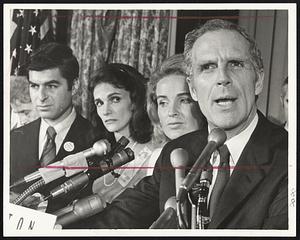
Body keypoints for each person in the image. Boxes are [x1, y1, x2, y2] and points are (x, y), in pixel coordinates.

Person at [69, 19, 288, 229]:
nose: (222, 78)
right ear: (193, 89)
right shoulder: (175, 151)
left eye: (236, 64)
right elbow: (116, 219)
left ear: (258, 80)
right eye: (208, 67)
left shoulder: (289, 158)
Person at [10, 42, 108, 213]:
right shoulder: (14, 138)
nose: (41, 97)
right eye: (34, 86)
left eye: (51, 86)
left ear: (75, 86)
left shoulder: (97, 141)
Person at [90, 63, 155, 203]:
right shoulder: (101, 150)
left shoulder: (154, 152)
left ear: (134, 101)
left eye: (115, 99)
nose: (105, 111)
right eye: (99, 103)